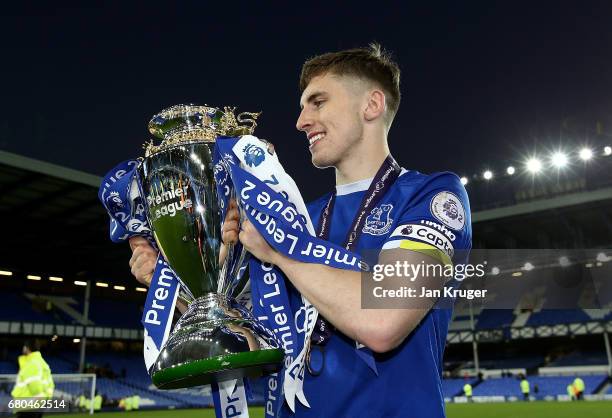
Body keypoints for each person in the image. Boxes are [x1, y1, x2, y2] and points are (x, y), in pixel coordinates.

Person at [129, 44, 472, 417]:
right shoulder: (300, 217)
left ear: (371, 106)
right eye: (302, 107)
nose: (301, 121)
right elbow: (253, 338)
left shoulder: (431, 194)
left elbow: (382, 321)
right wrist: (184, 284)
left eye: (318, 102)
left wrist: (277, 250)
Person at [10, 340, 55, 418]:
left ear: (27, 348)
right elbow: (50, 385)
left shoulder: (31, 363)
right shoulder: (42, 362)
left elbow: (34, 384)